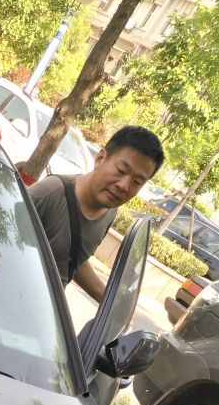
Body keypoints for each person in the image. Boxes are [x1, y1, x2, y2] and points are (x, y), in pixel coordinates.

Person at [27, 125, 164, 302]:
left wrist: (110, 302)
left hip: (45, 310)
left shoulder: (110, 212)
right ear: (100, 158)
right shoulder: (49, 193)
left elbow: (68, 258)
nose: (124, 186)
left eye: (137, 182)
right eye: (121, 171)